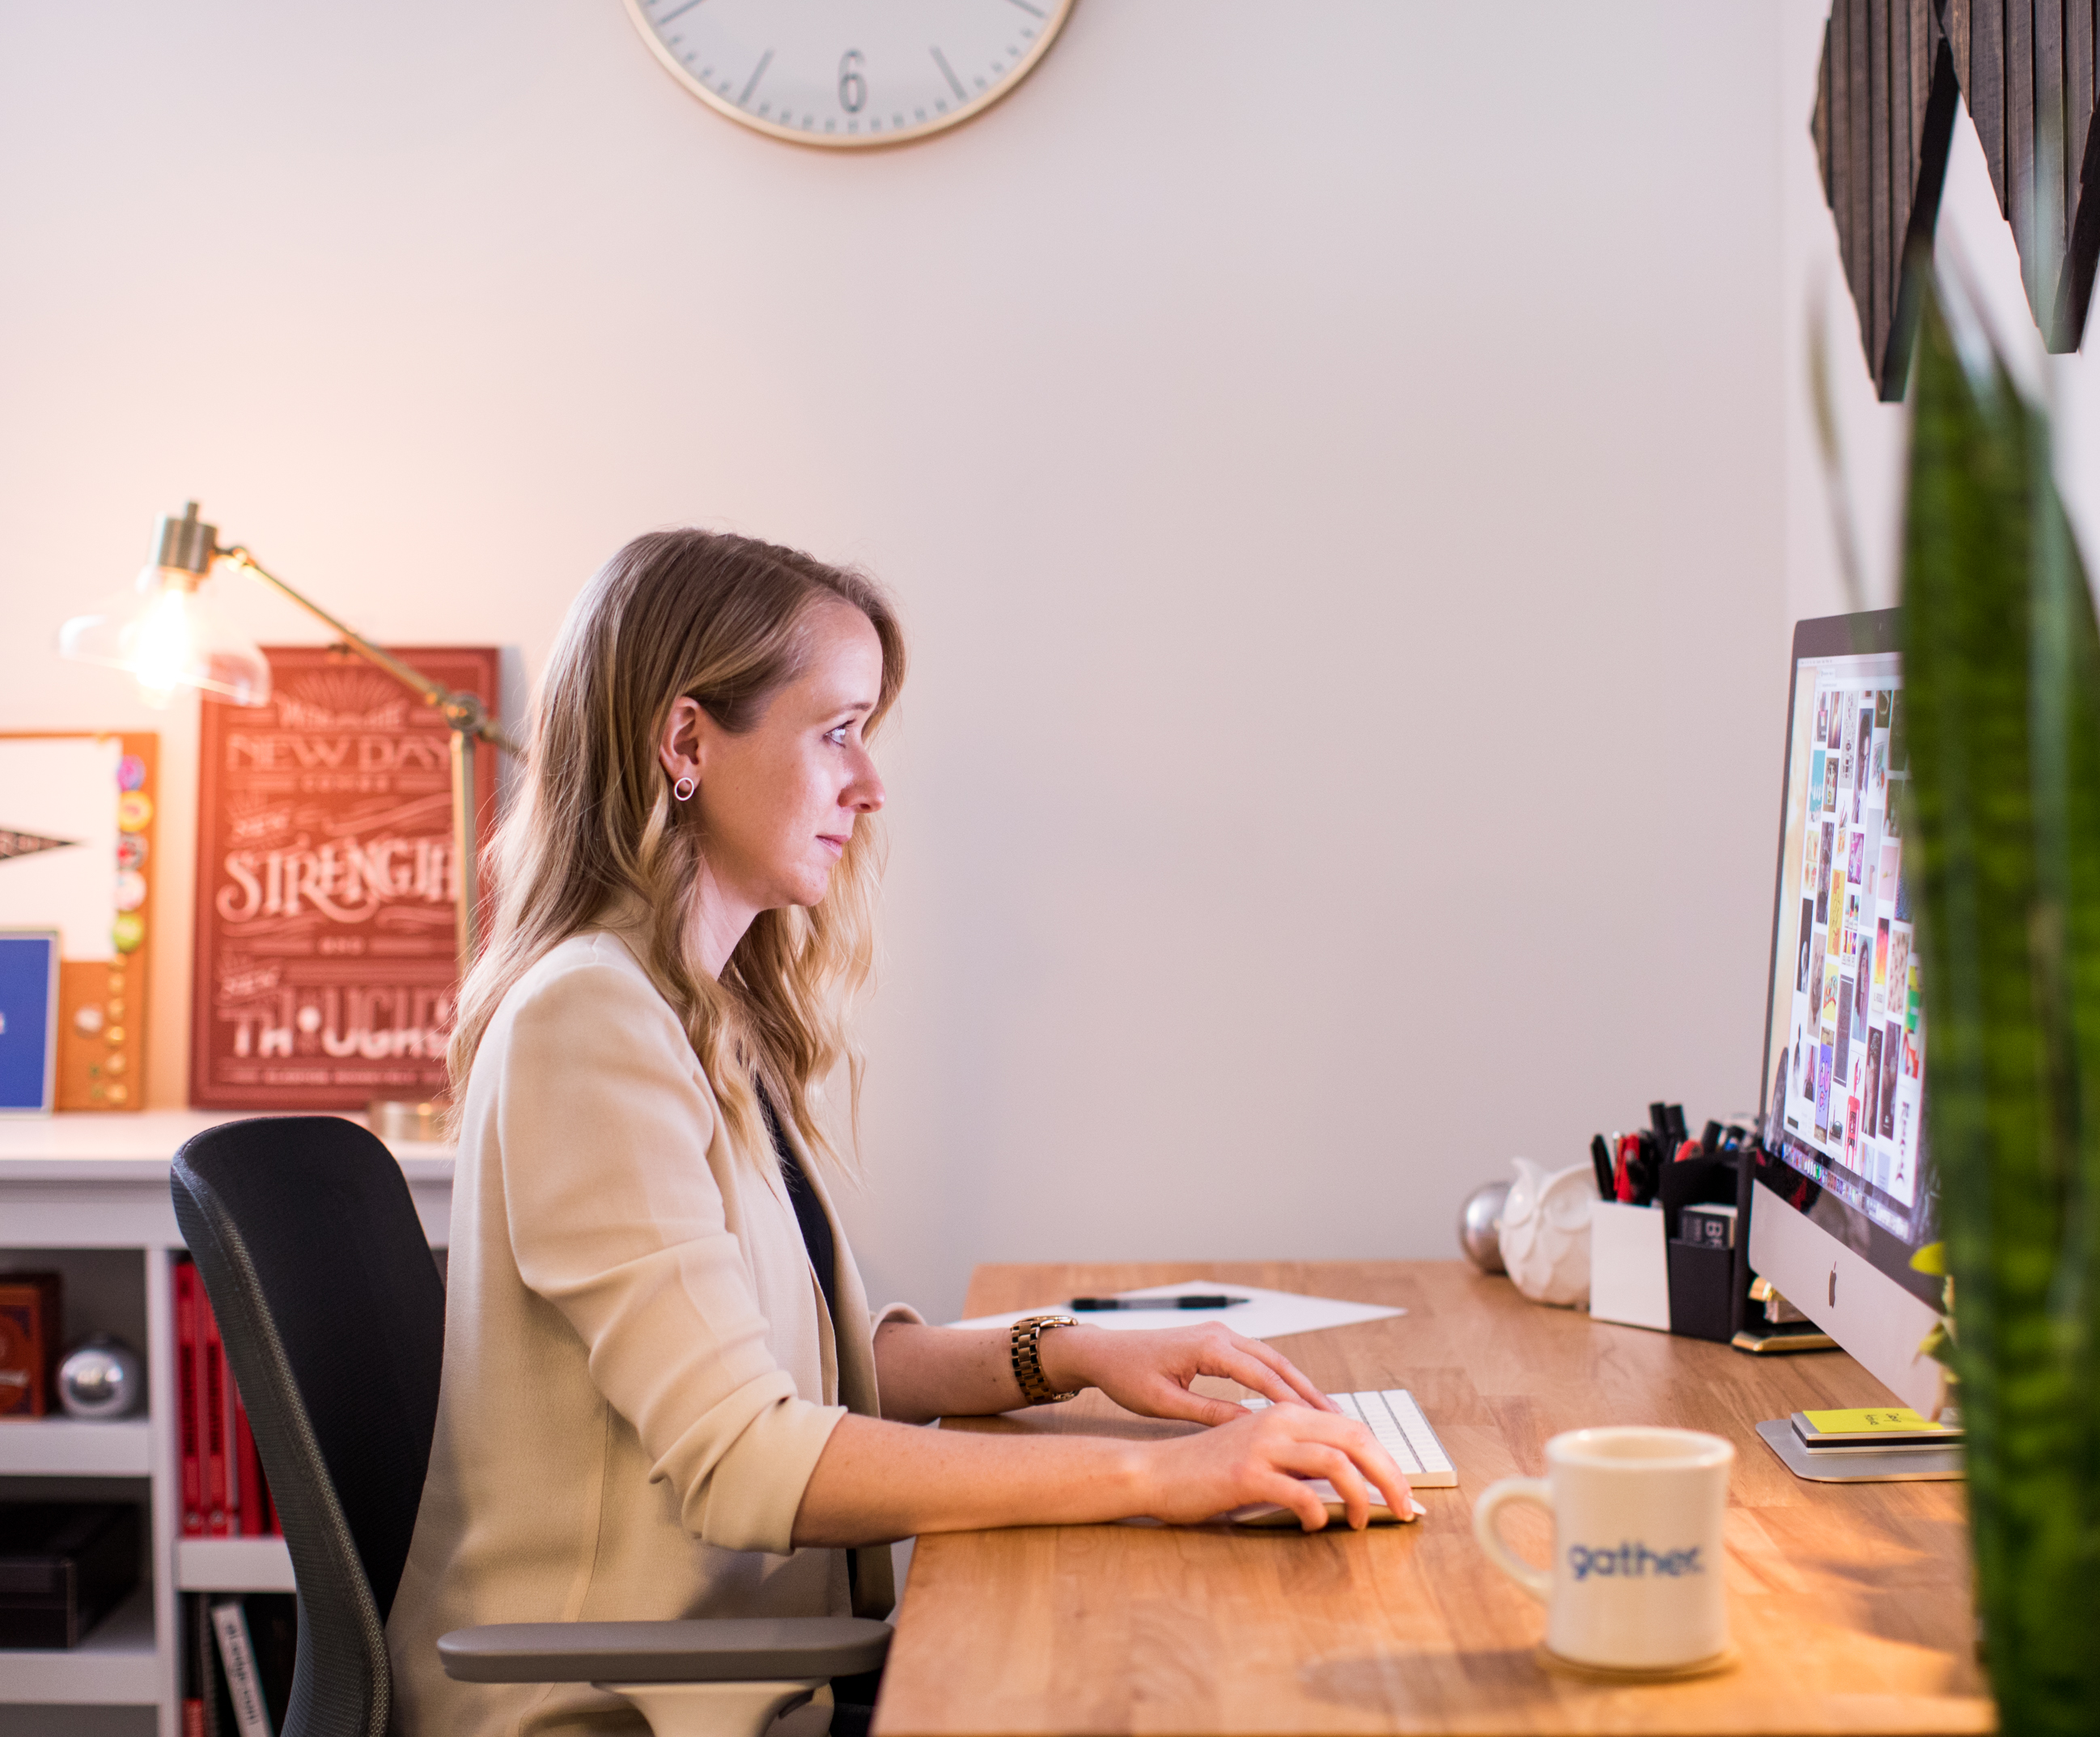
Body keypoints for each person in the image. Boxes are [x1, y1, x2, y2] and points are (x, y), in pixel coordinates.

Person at [386, 530, 1413, 1737]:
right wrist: (1161, 1473)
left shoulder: (693, 1009)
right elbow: (744, 1455)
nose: (869, 786)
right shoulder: (590, 1021)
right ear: (686, 744)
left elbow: (809, 1357)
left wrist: (1072, 1351)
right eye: (837, 731)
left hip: (727, 1680)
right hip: (594, 1710)